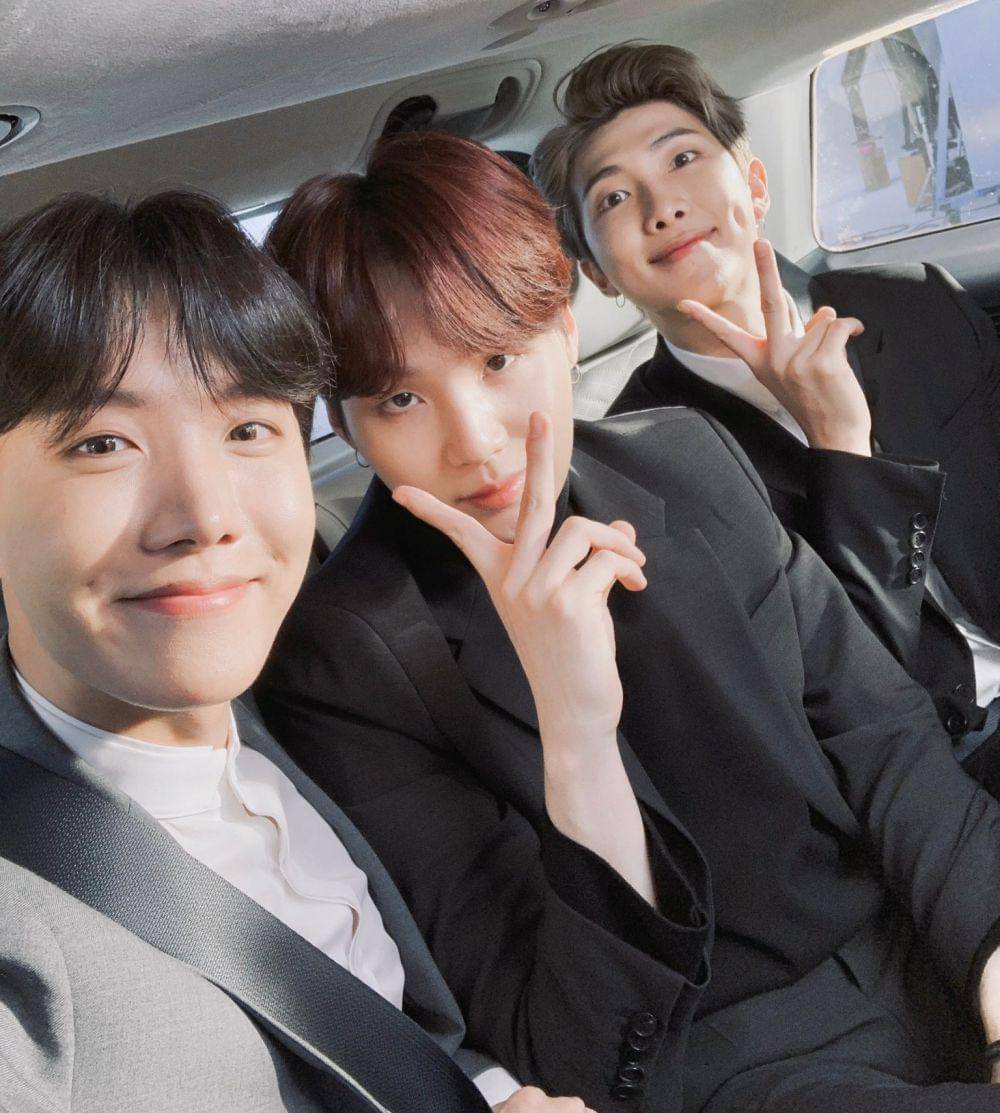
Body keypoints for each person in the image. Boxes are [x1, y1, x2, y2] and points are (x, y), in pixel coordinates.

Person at [257, 130, 1000, 1113]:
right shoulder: (343, 656)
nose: (475, 440)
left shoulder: (685, 457)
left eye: (497, 357)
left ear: (565, 326)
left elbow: (887, 738)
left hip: (927, 939)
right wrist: (578, 734)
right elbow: (561, 1042)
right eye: (399, 398)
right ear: (346, 423)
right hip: (737, 1065)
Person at [0, 189, 601, 1113]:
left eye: (248, 429)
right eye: (104, 442)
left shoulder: (283, 699)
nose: (205, 516)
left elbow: (409, 1037)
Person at [530, 41, 1000, 787]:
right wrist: (842, 447)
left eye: (683, 159)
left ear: (754, 187)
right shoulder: (634, 473)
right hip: (929, 774)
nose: (663, 208)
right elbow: (831, 705)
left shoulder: (917, 301)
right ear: (597, 274)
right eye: (614, 198)